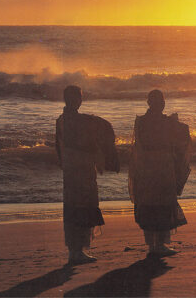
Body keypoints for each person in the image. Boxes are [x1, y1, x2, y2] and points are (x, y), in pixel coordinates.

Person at [55, 85, 119, 265]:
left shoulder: (62, 119)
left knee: (73, 207)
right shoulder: (79, 121)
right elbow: (101, 130)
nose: (80, 101)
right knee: (83, 206)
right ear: (72, 99)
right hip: (81, 169)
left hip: (70, 170)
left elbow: (58, 147)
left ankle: (75, 250)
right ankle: (77, 251)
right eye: (78, 97)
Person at [129, 89, 191, 257]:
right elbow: (183, 135)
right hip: (162, 166)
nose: (162, 104)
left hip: (147, 167)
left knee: (150, 202)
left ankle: (153, 245)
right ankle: (160, 244)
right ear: (154, 103)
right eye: (160, 101)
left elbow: (138, 147)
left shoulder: (141, 122)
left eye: (161, 101)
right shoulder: (166, 122)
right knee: (162, 202)